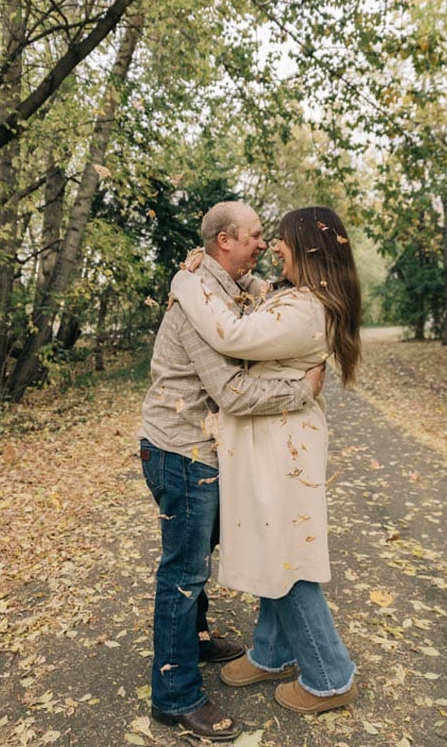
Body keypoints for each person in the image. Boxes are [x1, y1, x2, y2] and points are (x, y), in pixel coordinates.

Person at [140, 200, 325, 741]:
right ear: (224, 241)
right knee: (183, 573)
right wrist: (301, 390)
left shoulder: (227, 288)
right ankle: (174, 698)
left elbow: (272, 299)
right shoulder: (196, 300)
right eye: (255, 237)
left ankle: (193, 643)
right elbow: (231, 391)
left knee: (197, 556)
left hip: (203, 451)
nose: (263, 245)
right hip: (181, 451)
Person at [168, 205, 361, 715]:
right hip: (271, 440)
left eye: (281, 239)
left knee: (285, 553)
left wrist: (184, 283)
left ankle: (330, 676)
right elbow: (257, 302)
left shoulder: (306, 310)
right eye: (265, 236)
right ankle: (274, 654)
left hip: (281, 445)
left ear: (307, 248)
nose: (274, 246)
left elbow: (233, 334)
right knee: (274, 542)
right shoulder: (297, 297)